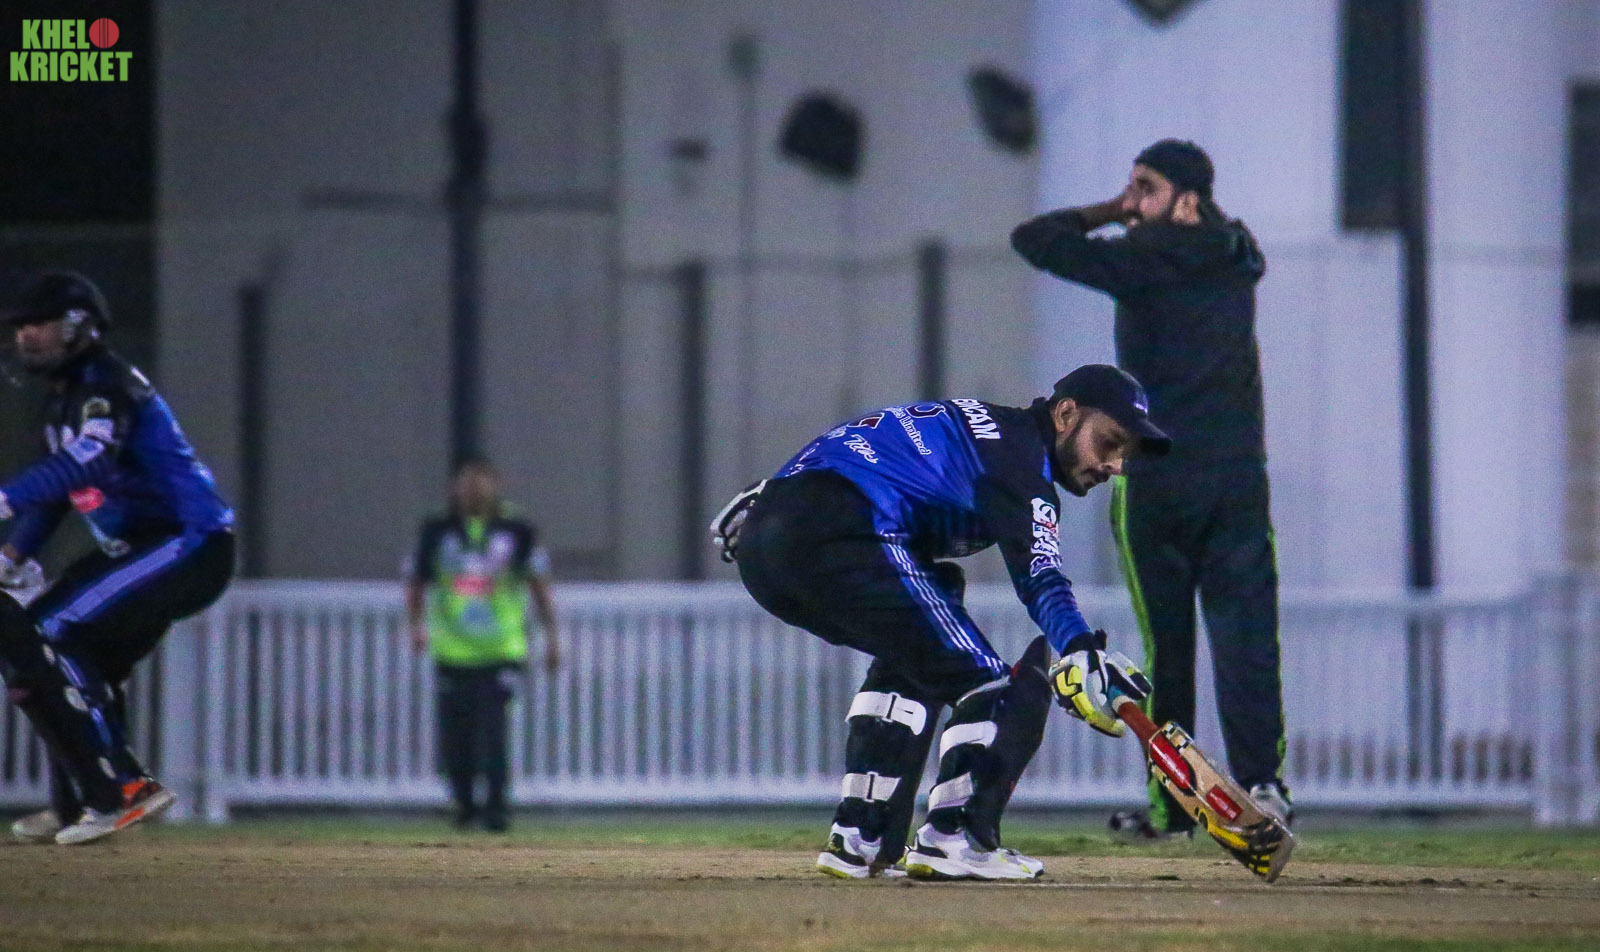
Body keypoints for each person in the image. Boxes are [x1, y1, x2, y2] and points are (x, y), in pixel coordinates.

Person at [713, 364, 1163, 880]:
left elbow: (869, 446)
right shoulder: (1022, 461)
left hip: (769, 538)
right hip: (841, 529)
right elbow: (1040, 577)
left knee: (927, 632)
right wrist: (1080, 648)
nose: (1114, 466)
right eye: (1109, 442)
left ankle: (861, 835)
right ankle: (955, 839)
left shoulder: (989, 430)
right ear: (1065, 414)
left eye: (1124, 454)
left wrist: (773, 502)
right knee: (996, 688)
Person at [1010, 139, 1292, 841]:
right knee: (1248, 639)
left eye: (1146, 188)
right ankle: (1264, 786)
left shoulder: (1138, 261)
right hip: (1237, 475)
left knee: (1168, 651)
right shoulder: (1237, 255)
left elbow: (1035, 239)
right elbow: (1235, 240)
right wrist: (1158, 206)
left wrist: (1110, 210)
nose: (1133, 201)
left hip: (1157, 481)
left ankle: (1174, 810)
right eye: (1129, 187)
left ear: (1185, 202)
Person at [0, 270, 236, 845]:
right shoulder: (66, 398)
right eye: (21, 326)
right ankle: (83, 802)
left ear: (78, 325)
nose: (26, 336)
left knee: (46, 630)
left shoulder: (105, 384)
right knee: (66, 658)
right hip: (154, 545)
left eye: (39, 323)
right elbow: (59, 494)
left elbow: (87, 462)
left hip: (187, 541)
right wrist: (12, 553)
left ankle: (122, 789)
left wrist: (4, 500)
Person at [406, 454, 559, 832]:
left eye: (482, 480)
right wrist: (416, 625)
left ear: (496, 484)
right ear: (454, 487)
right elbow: (417, 580)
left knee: (493, 730)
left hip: (501, 647)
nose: (474, 489)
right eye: (467, 480)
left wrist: (553, 635)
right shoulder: (437, 530)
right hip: (452, 647)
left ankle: (496, 808)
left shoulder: (517, 529)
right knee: (455, 734)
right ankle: (463, 804)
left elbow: (539, 583)